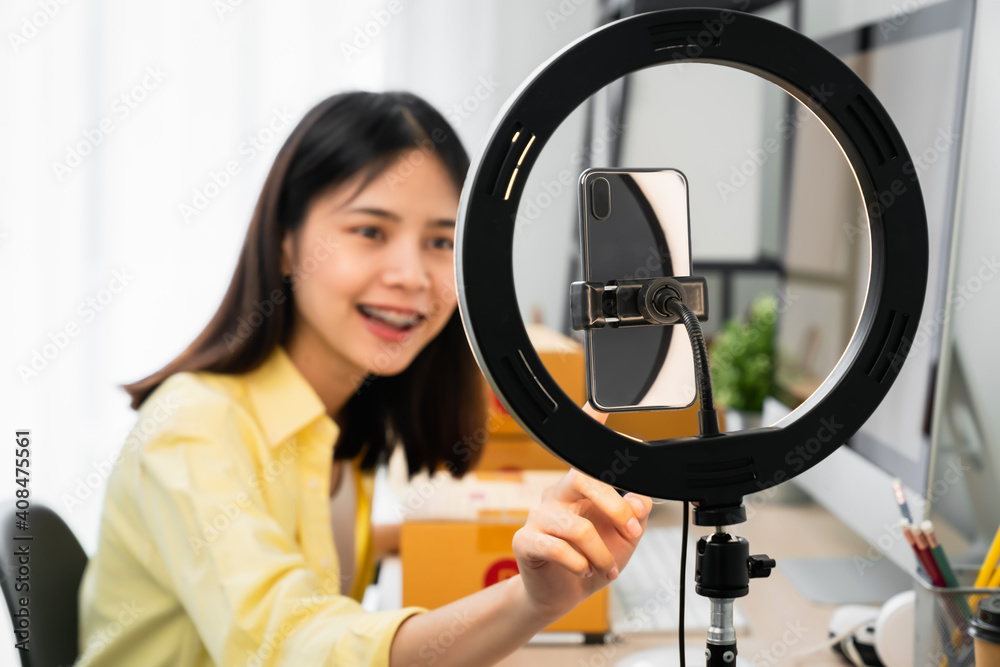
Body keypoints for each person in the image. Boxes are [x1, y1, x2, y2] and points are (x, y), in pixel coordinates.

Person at [77, 90, 653, 667]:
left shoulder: (346, 409)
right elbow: (292, 647)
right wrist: (529, 600)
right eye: (371, 232)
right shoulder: (192, 428)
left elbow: (297, 563)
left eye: (440, 241)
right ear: (285, 242)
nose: (411, 276)